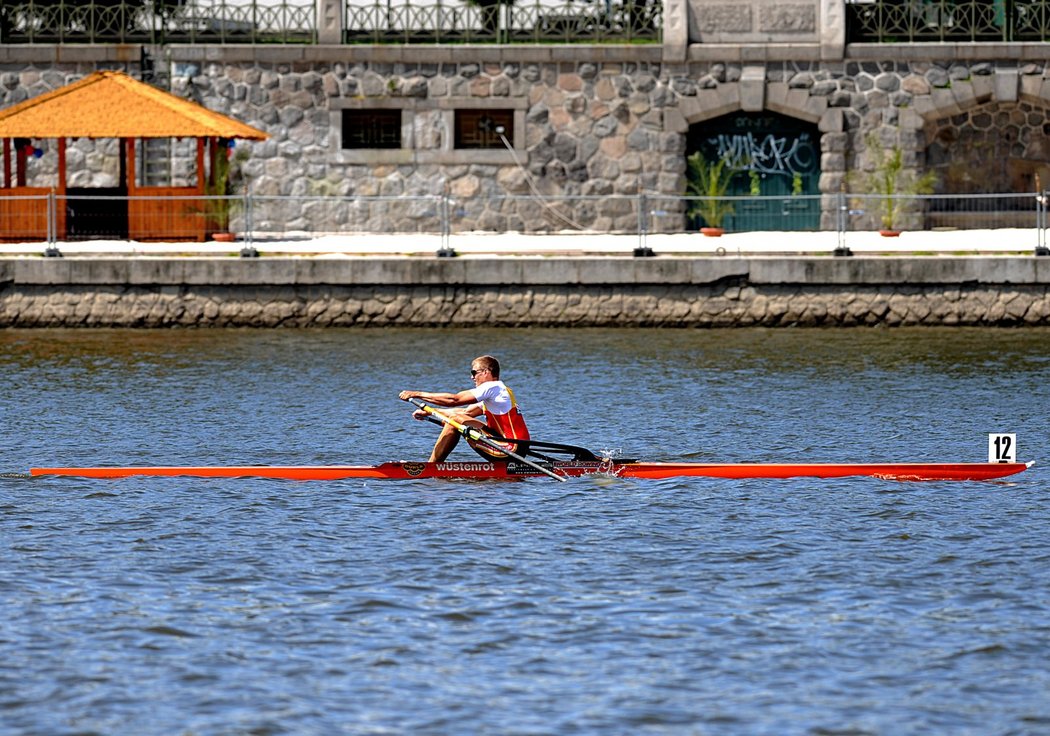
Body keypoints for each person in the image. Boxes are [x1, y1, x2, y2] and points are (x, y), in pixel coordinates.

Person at [398, 355, 530, 463]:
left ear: (486, 372)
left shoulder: (492, 387)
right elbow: (465, 413)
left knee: (455, 420)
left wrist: (417, 394)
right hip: (515, 447)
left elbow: (454, 400)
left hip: (510, 449)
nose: (472, 377)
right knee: (456, 419)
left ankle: (431, 466)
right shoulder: (499, 392)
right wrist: (430, 411)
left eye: (474, 373)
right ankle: (434, 465)